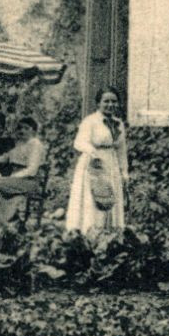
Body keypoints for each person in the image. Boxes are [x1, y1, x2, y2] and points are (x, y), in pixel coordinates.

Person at [65, 90, 129, 238]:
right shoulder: (90, 121)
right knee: (93, 197)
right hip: (94, 163)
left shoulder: (118, 123)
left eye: (114, 101)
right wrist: (93, 153)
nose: (110, 104)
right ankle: (91, 231)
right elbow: (79, 142)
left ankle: (110, 234)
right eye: (106, 101)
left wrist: (124, 172)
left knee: (110, 196)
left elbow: (121, 149)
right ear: (98, 103)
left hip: (111, 163)